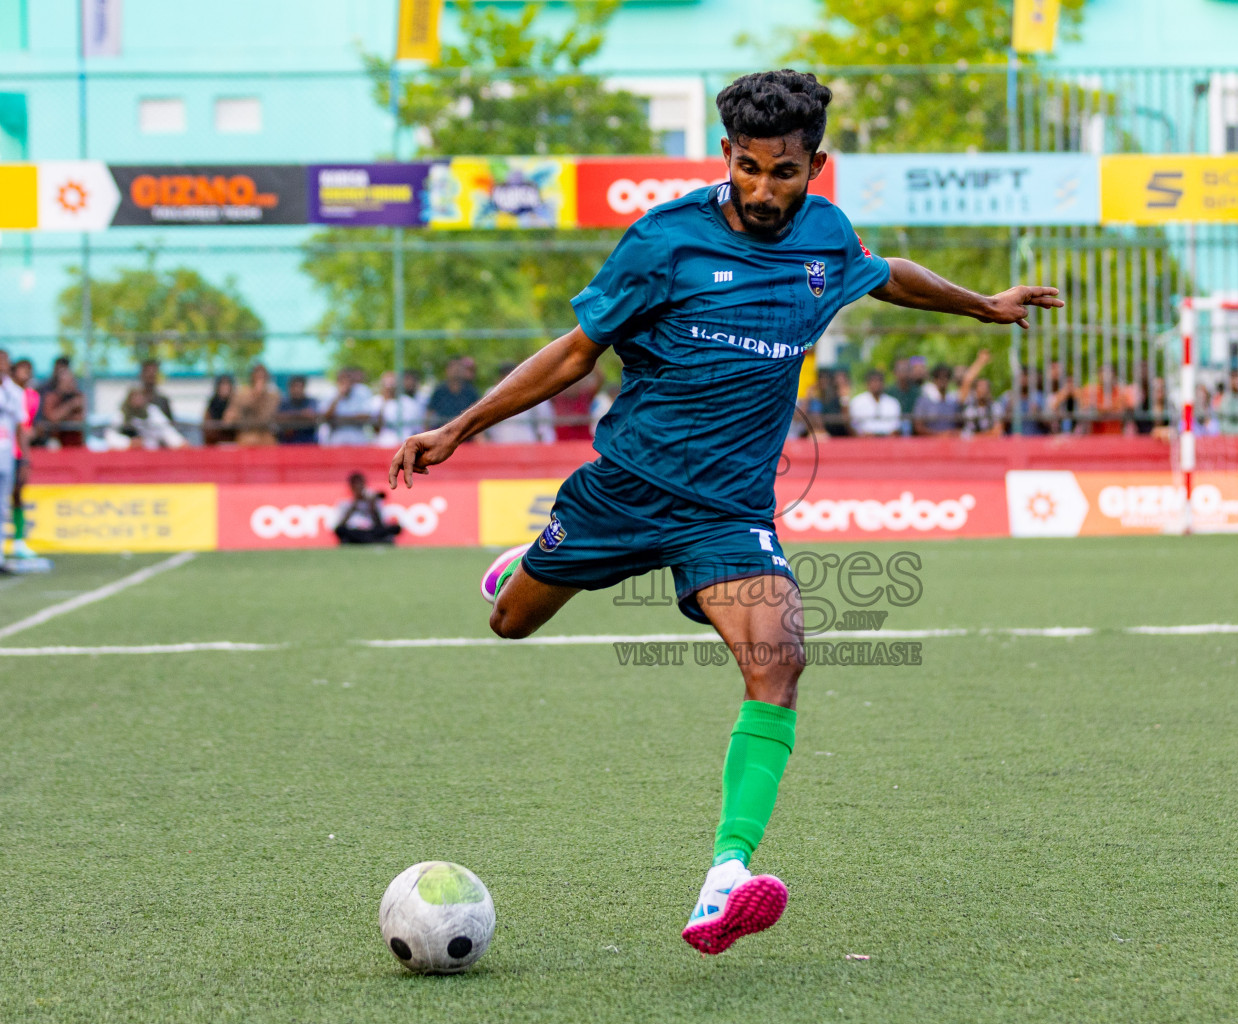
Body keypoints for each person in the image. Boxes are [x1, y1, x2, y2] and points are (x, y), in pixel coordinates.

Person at [387, 69, 1064, 956]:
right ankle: (526, 566)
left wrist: (983, 305)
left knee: (778, 663)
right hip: (625, 490)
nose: (764, 190)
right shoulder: (663, 242)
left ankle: (724, 878)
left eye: (784, 172)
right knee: (509, 626)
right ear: (726, 156)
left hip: (730, 509)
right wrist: (459, 427)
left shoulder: (825, 236)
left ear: (815, 165)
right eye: (748, 168)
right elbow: (575, 354)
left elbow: (882, 274)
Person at [0, 350, 30, 564]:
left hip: (6, 454)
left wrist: (25, 459)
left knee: (2, 505)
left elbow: (21, 427)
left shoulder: (14, 392)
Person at [482, 362, 556, 443]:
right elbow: (483, 425)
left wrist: (544, 445)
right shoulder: (491, 394)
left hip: (527, 444)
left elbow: (544, 424)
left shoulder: (533, 392)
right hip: (500, 444)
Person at [8, 358, 38, 557]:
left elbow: (27, 424)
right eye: (22, 370)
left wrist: (26, 456)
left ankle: (19, 541)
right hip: (6, 448)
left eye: (29, 370)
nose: (25, 374)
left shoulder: (32, 396)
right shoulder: (8, 392)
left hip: (17, 450)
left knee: (18, 494)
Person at [332, 472, 403, 545]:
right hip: (355, 531)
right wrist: (354, 505)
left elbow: (381, 524)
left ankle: (365, 541)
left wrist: (372, 506)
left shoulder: (373, 501)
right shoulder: (344, 503)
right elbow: (339, 526)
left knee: (395, 528)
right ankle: (375, 541)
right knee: (341, 530)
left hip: (371, 530)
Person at [223, 364, 280, 446]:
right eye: (257, 376)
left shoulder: (273, 396)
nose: (260, 379)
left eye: (262, 377)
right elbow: (229, 417)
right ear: (252, 377)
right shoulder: (241, 394)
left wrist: (261, 397)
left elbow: (268, 415)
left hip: (265, 436)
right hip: (246, 435)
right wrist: (253, 397)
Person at [373, 371, 427, 448]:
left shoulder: (409, 402)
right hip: (382, 444)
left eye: (392, 384)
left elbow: (418, 428)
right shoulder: (375, 401)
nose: (390, 387)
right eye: (387, 384)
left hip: (406, 444)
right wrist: (384, 402)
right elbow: (376, 429)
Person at [426, 356, 480, 429]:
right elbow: (429, 413)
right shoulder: (439, 391)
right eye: (453, 367)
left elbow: (478, 414)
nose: (456, 370)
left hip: (465, 431)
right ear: (447, 370)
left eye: (459, 367)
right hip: (443, 430)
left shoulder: (471, 392)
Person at [325, 366, 375, 446]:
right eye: (342, 381)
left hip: (357, 436)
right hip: (337, 437)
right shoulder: (330, 393)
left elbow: (366, 416)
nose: (346, 384)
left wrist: (341, 419)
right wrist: (338, 397)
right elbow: (326, 417)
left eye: (348, 381)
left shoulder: (362, 392)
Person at [41, 361, 86, 448]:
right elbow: (52, 418)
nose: (71, 384)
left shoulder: (78, 396)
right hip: (57, 443)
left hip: (75, 443)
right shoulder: (52, 397)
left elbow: (80, 419)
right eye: (67, 381)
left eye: (72, 381)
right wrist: (70, 406)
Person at [957, 351, 1002, 438]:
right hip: (969, 445)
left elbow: (997, 431)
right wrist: (980, 361)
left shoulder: (995, 407)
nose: (983, 390)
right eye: (980, 387)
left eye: (985, 387)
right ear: (975, 389)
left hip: (988, 444)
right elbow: (966, 381)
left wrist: (977, 438)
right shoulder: (968, 402)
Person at [847, 369, 901, 436]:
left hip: (888, 441)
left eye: (879, 381)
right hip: (864, 441)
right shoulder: (857, 402)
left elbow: (896, 426)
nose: (876, 384)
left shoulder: (893, 402)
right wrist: (863, 434)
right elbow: (853, 425)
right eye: (873, 381)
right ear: (867, 383)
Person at [912, 362, 960, 435]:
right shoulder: (924, 401)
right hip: (930, 444)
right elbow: (918, 427)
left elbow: (959, 426)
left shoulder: (954, 401)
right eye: (939, 377)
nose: (943, 380)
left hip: (951, 443)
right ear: (934, 379)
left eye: (946, 377)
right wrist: (940, 435)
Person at [276, 375, 321, 445]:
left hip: (308, 441)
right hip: (288, 442)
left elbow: (311, 415)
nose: (297, 390)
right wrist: (301, 414)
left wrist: (290, 416)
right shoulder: (284, 403)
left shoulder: (311, 401)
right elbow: (279, 417)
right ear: (290, 388)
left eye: (300, 387)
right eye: (294, 387)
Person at [202, 374, 237, 446]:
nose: (225, 387)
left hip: (233, 442)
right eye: (222, 384)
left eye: (227, 384)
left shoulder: (235, 403)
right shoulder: (212, 404)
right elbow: (207, 428)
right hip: (215, 443)